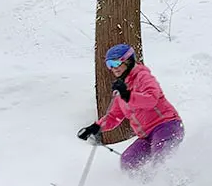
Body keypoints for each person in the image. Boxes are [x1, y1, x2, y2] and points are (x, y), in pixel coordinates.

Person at [77, 43, 184, 173]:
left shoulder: (143, 77)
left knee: (162, 160)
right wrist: (95, 127)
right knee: (129, 160)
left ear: (128, 61)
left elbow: (151, 99)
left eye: (116, 63)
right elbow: (114, 116)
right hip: (146, 136)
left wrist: (127, 95)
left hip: (166, 126)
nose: (113, 68)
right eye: (109, 64)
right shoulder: (121, 87)